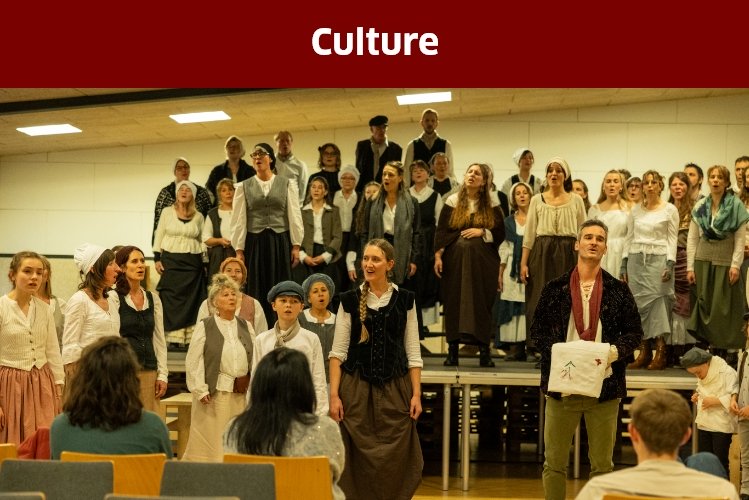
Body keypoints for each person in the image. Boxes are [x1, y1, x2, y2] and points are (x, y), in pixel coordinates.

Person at [531, 219, 644, 500]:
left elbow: (635, 333)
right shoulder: (554, 288)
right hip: (562, 385)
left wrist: (612, 353)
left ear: (606, 248)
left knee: (603, 466)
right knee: (554, 463)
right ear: (577, 244)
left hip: (604, 386)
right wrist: (562, 353)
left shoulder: (619, 290)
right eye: (588, 237)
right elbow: (537, 333)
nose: (594, 242)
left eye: (600, 239)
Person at [329, 238, 423, 500]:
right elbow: (337, 353)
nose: (368, 264)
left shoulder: (406, 300)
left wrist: (416, 394)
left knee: (397, 456)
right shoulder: (348, 300)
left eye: (375, 259)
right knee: (355, 458)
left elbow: (413, 352)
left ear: (389, 265)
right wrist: (334, 395)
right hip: (356, 390)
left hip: (395, 388)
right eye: (366, 259)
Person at [223, 347, 345, 500]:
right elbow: (335, 473)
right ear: (305, 386)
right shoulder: (325, 429)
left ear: (258, 385)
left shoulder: (235, 429)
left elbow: (234, 482)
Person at [574, 388, 738, 500]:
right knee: (705, 461)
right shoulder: (722, 491)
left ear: (633, 433)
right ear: (686, 436)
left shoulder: (599, 490)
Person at [50, 336, 172, 458]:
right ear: (132, 381)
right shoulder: (154, 427)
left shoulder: (60, 428)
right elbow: (166, 469)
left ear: (81, 379)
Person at [435, 162, 505, 367]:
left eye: (477, 173)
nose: (472, 175)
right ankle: (452, 352)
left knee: (481, 302)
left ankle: (484, 352)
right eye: (470, 172)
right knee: (454, 301)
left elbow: (500, 232)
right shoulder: (452, 201)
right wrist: (438, 256)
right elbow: (442, 232)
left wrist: (481, 231)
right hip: (455, 263)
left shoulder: (492, 203)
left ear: (483, 181)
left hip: (483, 264)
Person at [230, 142, 304, 326]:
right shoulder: (244, 186)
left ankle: (282, 327)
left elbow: (294, 214)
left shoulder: (286, 183)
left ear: (270, 158)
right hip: (255, 242)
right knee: (257, 285)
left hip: (279, 241)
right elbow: (239, 219)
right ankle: (257, 329)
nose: (257, 158)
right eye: (254, 155)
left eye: (261, 154)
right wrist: (239, 249)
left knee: (280, 285)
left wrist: (296, 245)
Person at [520, 157, 586, 360]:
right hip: (542, 252)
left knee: (566, 300)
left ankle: (563, 347)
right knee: (540, 300)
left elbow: (583, 232)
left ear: (565, 175)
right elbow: (529, 234)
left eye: (558, 170)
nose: (554, 174)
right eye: (550, 170)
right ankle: (542, 348)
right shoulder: (536, 200)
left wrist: (583, 261)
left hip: (568, 253)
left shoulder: (576, 200)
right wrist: (523, 263)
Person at [183, 274, 254, 462]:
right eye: (225, 295)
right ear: (215, 302)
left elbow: (255, 357)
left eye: (233, 294)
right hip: (215, 394)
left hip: (240, 393)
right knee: (214, 442)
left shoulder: (246, 325)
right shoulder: (205, 325)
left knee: (237, 439)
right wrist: (200, 389)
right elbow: (194, 360)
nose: (231, 297)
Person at [0, 251, 64, 445]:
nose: (34, 277)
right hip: (10, 385)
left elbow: (52, 351)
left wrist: (58, 389)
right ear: (12, 275)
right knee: (12, 440)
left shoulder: (45, 309)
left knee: (42, 440)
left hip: (41, 382)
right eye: (27, 271)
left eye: (39, 272)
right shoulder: (2, 307)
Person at [621, 170, 679, 371]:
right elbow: (629, 237)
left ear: (660, 185)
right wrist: (623, 263)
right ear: (642, 186)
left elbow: (672, 238)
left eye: (654, 182)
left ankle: (661, 352)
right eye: (647, 182)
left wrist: (670, 264)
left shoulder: (670, 210)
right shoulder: (636, 210)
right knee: (638, 305)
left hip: (659, 258)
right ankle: (644, 351)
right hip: (636, 260)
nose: (650, 186)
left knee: (658, 302)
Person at [687, 165, 748, 355]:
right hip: (702, 260)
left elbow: (740, 239)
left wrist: (735, 265)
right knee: (704, 304)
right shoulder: (700, 206)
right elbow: (692, 238)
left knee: (722, 307)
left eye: (720, 177)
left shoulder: (736, 205)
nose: (715, 180)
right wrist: (690, 267)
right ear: (708, 180)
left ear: (726, 182)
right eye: (712, 177)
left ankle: (724, 350)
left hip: (724, 262)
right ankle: (709, 347)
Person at [251, 281, 328, 416]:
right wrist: (253, 411)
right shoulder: (262, 340)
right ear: (274, 305)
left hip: (301, 407)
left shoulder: (311, 339)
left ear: (301, 307)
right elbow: (255, 380)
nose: (288, 305)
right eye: (283, 301)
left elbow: (318, 380)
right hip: (269, 409)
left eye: (294, 301)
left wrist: (319, 415)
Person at [110, 245, 168, 412]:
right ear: (122, 267)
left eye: (142, 261)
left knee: (149, 420)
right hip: (124, 373)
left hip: (149, 371)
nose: (141, 265)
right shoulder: (113, 297)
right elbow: (113, 337)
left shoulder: (153, 299)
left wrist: (163, 374)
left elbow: (159, 339)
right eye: (134, 261)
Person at [153, 179, 206, 348]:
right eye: (181, 189)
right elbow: (159, 234)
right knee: (170, 299)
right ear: (176, 194)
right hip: (171, 261)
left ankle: (188, 339)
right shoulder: (167, 212)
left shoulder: (199, 216)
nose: (184, 192)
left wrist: (205, 263)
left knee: (192, 300)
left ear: (193, 195)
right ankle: (172, 339)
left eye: (188, 190)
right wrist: (156, 258)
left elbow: (203, 240)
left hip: (192, 264)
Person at [61, 243, 120, 375]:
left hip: (113, 372)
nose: (118, 269)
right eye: (111, 264)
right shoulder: (79, 300)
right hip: (89, 373)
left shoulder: (111, 300)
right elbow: (70, 344)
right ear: (93, 269)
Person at [680, 346, 738, 476]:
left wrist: (715, 401)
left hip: (722, 425)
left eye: (698, 372)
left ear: (706, 363)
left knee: (720, 463)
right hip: (705, 423)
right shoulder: (703, 373)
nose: (698, 376)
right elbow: (702, 390)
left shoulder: (727, 372)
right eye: (694, 374)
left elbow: (736, 396)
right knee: (704, 463)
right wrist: (698, 397)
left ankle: (722, 489)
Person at [497, 182, 531, 361]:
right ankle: (516, 349)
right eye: (518, 193)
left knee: (528, 306)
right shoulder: (508, 222)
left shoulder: (536, 220)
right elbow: (504, 247)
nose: (522, 195)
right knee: (512, 304)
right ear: (513, 198)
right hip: (511, 267)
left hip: (529, 266)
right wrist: (500, 271)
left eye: (525, 192)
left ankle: (530, 346)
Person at [409, 159, 443, 331]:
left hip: (429, 244)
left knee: (428, 282)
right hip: (410, 242)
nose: (418, 172)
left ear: (428, 174)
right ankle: (411, 321)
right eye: (414, 170)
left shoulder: (435, 196)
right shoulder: (406, 194)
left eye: (421, 170)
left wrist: (437, 250)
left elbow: (440, 224)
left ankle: (424, 323)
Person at [667, 171, 697, 365]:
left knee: (686, 303)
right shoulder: (665, 209)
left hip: (686, 258)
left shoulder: (695, 208)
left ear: (688, 187)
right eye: (674, 184)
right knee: (670, 301)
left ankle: (687, 348)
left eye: (681, 184)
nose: (678, 188)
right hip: (668, 259)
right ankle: (671, 348)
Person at [196, 257, 268, 335]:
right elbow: (200, 334)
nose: (233, 274)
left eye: (238, 271)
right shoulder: (208, 304)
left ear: (243, 276)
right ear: (221, 274)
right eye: (229, 270)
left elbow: (261, 335)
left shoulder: (254, 304)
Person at [152, 157, 211, 244]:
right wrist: (157, 246)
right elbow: (158, 223)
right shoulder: (166, 193)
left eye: (186, 167)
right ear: (174, 172)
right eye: (179, 168)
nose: (184, 170)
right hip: (170, 242)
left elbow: (208, 220)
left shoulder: (201, 192)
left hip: (194, 242)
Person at [297, 176, 342, 286]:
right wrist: (303, 256)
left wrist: (325, 256)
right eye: (313, 187)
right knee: (307, 287)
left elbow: (337, 236)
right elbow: (297, 235)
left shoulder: (333, 211)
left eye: (320, 187)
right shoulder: (302, 211)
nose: (316, 190)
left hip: (327, 254)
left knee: (327, 287)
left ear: (325, 192)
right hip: (307, 253)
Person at [587, 170, 631, 276]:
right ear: (603, 186)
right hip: (600, 252)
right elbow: (588, 234)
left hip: (622, 252)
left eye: (615, 181)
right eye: (608, 181)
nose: (612, 184)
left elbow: (631, 235)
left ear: (621, 186)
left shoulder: (629, 208)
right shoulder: (594, 209)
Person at [298, 273, 336, 382]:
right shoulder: (299, 319)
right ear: (308, 298)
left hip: (331, 380)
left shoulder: (338, 320)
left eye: (324, 290)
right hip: (305, 379)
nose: (320, 294)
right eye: (315, 291)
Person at [402, 108, 454, 188]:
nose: (430, 123)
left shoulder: (446, 144)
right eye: (427, 120)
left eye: (433, 121)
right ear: (421, 123)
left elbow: (450, 171)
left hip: (440, 189)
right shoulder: (412, 145)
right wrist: (406, 190)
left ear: (437, 123)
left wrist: (451, 188)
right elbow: (407, 172)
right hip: (417, 189)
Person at [354, 115, 402, 193]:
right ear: (371, 129)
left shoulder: (396, 149)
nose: (382, 130)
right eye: (378, 128)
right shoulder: (362, 146)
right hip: (364, 191)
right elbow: (358, 169)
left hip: (386, 191)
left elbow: (397, 172)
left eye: (384, 127)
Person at [205, 135, 256, 207]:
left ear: (241, 150)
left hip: (245, 208)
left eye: (235, 147)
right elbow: (209, 191)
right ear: (226, 150)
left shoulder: (250, 171)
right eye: (229, 147)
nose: (232, 149)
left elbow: (254, 193)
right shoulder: (217, 171)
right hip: (222, 209)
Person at [333, 164, 361, 294]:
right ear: (340, 180)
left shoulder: (360, 197)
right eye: (344, 177)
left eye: (351, 178)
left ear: (356, 181)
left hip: (354, 238)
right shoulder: (333, 196)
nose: (347, 180)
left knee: (351, 270)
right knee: (336, 271)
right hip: (336, 237)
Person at [203, 178, 237, 282]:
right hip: (218, 257)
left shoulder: (241, 211)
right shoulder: (212, 214)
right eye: (224, 190)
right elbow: (206, 239)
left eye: (230, 189)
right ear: (219, 194)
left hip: (238, 255)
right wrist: (220, 241)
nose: (228, 193)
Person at [732, 317, 749, 500]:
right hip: (743, 415)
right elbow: (738, 381)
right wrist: (734, 398)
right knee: (745, 457)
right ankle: (745, 491)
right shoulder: (744, 354)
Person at [35, 255, 67, 346]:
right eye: (30, 271)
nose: (37, 273)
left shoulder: (61, 304)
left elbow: (65, 339)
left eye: (42, 268)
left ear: (49, 273)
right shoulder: (22, 303)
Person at [275, 130, 308, 203]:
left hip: (293, 204)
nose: (285, 143)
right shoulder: (269, 164)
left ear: (291, 142)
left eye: (287, 141)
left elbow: (303, 191)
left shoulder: (300, 165)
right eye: (281, 141)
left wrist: (296, 206)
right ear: (276, 143)